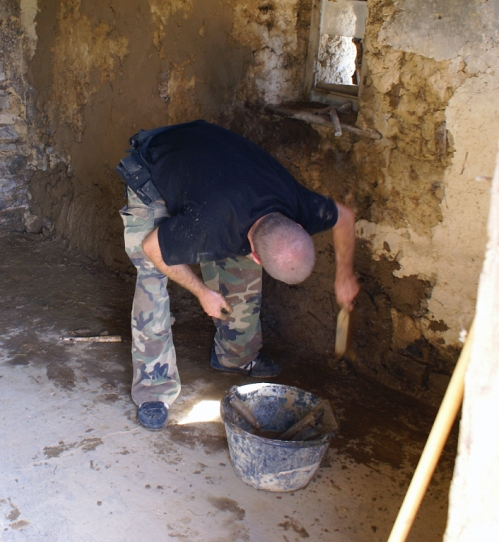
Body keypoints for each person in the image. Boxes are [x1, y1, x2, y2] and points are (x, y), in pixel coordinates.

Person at [116, 120, 359, 431]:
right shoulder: (211, 225)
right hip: (156, 167)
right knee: (152, 278)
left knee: (238, 266)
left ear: (298, 224)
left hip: (212, 174)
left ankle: (235, 355)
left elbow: (344, 217)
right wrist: (202, 291)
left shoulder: (298, 203)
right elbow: (154, 249)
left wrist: (344, 275)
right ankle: (153, 388)